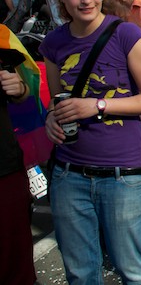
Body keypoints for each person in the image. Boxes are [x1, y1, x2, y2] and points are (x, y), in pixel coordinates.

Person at [40, 0, 141, 285]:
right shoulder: (54, 43)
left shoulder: (126, 35)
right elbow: (57, 101)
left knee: (134, 271)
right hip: (69, 174)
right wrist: (51, 118)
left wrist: (97, 106)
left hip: (123, 175)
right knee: (80, 273)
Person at [0, 24, 37, 285]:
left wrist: (19, 88)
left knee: (14, 262)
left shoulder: (2, 36)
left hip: (5, 167)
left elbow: (25, 89)